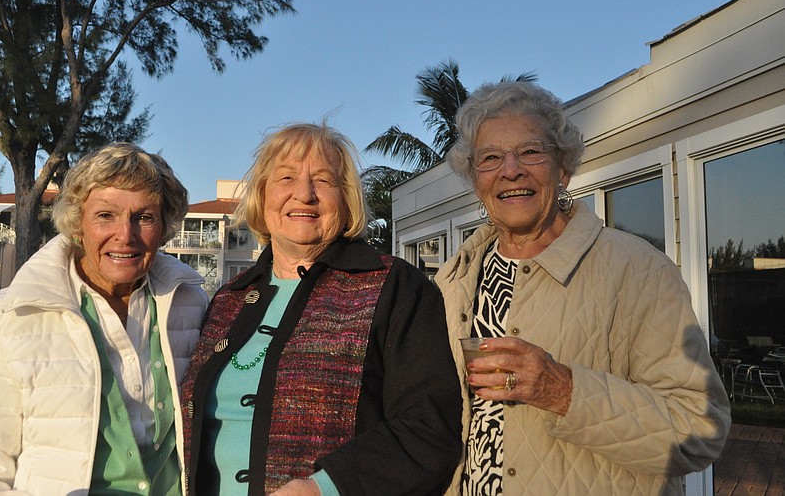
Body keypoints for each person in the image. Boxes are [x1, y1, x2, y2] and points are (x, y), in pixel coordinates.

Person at [437, 81, 731, 495]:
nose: (511, 169)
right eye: (490, 157)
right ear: (475, 178)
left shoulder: (638, 270)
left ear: (564, 168)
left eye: (531, 151)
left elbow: (700, 430)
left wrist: (563, 391)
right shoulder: (454, 278)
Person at [181, 122, 462, 495]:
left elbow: (429, 427)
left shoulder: (395, 286)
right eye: (285, 178)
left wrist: (326, 488)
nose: (304, 194)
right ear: (262, 197)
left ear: (346, 200)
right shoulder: (229, 298)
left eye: (324, 181)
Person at [0, 142, 208, 495]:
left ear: (163, 226)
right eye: (105, 215)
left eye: (143, 217)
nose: (125, 236)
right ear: (77, 222)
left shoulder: (191, 303)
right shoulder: (4, 317)